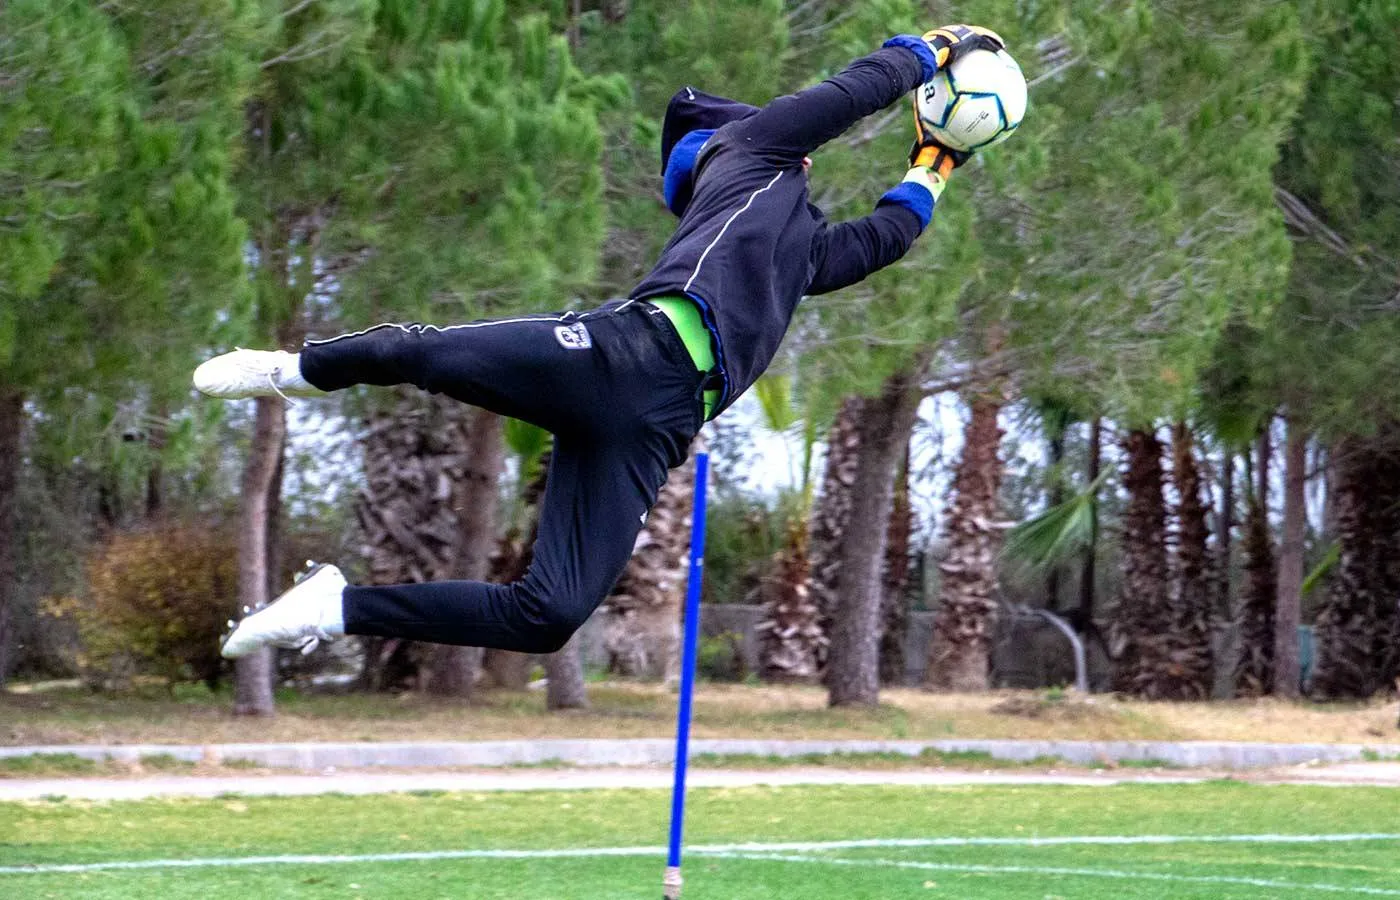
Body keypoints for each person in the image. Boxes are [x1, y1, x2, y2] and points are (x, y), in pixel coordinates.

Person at [204, 26, 1006, 661]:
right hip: (626, 352)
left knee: (547, 615)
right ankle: (291, 370)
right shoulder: (752, 149)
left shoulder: (799, 253)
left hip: (655, 428)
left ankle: (334, 609)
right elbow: (853, 92)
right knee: (425, 353)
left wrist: (935, 162)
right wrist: (933, 47)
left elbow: (886, 236)